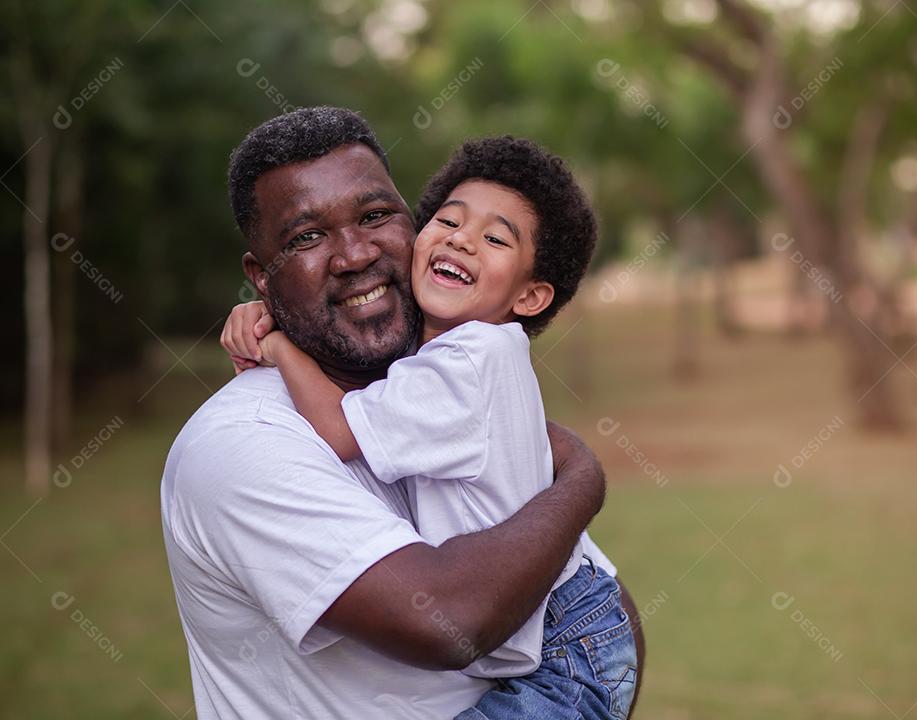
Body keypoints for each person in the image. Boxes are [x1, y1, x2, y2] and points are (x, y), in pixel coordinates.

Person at [161, 106, 644, 720]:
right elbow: (450, 622)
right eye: (306, 238)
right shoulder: (240, 445)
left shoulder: (436, 376)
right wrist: (581, 478)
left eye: (376, 216)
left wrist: (576, 476)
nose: (355, 255)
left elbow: (572, 590)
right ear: (261, 278)